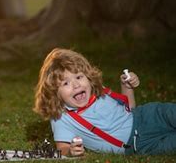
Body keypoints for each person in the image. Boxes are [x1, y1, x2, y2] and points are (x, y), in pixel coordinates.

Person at [33, 48, 176, 156]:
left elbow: (130, 109)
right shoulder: (62, 117)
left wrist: (127, 86)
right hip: (136, 143)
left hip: (146, 116)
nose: (76, 85)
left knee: (171, 113)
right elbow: (61, 147)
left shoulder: (97, 92)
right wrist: (70, 150)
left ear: (88, 77)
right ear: (54, 93)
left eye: (79, 77)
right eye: (65, 83)